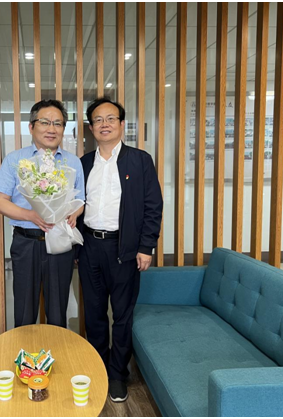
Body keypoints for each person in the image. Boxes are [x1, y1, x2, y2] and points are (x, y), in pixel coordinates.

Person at [76, 97, 163, 402]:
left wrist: (146, 246)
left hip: (124, 248)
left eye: (111, 118)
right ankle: (98, 367)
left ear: (121, 124)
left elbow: (153, 206)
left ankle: (117, 375)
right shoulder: (83, 163)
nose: (105, 124)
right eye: (98, 120)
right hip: (89, 246)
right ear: (91, 127)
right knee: (94, 314)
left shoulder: (140, 160)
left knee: (122, 315)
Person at [0, 99, 85, 328]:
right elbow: (0, 203)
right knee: (24, 310)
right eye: (45, 122)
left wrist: (74, 213)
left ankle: (57, 351)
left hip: (60, 242)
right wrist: (31, 215)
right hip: (26, 242)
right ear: (31, 127)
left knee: (58, 310)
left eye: (58, 123)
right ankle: (24, 351)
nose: (52, 129)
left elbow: (80, 200)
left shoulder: (73, 162)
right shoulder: (15, 160)